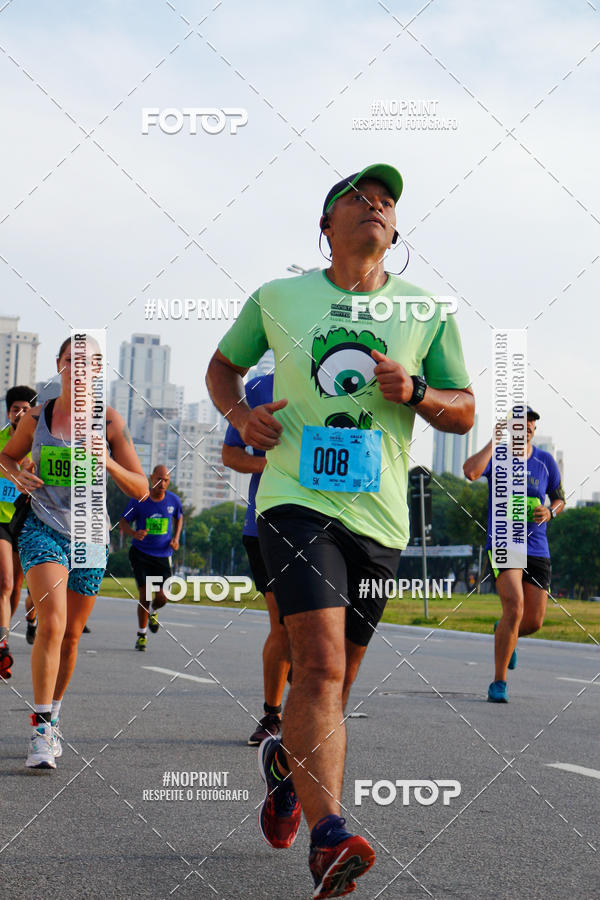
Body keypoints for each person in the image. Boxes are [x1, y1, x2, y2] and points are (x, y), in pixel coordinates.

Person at [206, 163, 474, 898]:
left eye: (387, 202)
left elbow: (464, 409)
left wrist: (418, 392)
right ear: (326, 226)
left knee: (339, 681)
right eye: (359, 199)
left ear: (395, 230)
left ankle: (289, 775)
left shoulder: (428, 311)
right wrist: (239, 416)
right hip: (294, 501)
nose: (377, 207)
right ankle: (331, 839)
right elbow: (223, 367)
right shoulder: (280, 296)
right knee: (318, 664)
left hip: (380, 516)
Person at [0, 337, 148, 769]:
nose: (79, 370)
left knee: (69, 637)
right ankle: (41, 729)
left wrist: (109, 462)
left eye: (89, 363)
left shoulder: (111, 423)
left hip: (89, 535)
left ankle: (54, 713)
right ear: (59, 366)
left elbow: (142, 488)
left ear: (99, 370)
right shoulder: (36, 418)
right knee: (52, 622)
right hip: (43, 528)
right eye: (72, 362)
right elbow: (5, 456)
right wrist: (19, 474)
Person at [464, 405, 565, 703]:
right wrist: (495, 439)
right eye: (522, 421)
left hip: (537, 547)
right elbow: (470, 472)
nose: (529, 425)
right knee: (516, 607)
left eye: (533, 421)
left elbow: (559, 499)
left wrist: (550, 512)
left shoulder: (546, 462)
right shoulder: (499, 456)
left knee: (532, 621)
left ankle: (505, 631)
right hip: (504, 543)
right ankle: (499, 682)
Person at [222, 372, 291, 746]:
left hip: (336, 522)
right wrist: (276, 468)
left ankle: (315, 703)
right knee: (282, 622)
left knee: (323, 626)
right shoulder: (258, 388)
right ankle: (273, 714)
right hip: (268, 521)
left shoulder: (347, 379)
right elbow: (230, 454)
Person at [119, 465, 183, 651]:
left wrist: (176, 538)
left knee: (163, 597)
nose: (162, 483)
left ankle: (153, 611)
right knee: (145, 594)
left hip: (163, 555)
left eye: (166, 480)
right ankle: (141, 634)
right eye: (159, 479)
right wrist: (133, 533)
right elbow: (123, 521)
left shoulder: (173, 500)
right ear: (151, 477)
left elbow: (179, 517)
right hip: (141, 554)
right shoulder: (140, 499)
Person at [0, 386, 38, 677]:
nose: (20, 413)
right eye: (16, 409)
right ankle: (2, 647)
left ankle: (5, 632)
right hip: (1, 521)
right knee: (5, 582)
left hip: (25, 519)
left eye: (26, 409)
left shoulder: (38, 445)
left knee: (16, 587)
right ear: (8, 412)